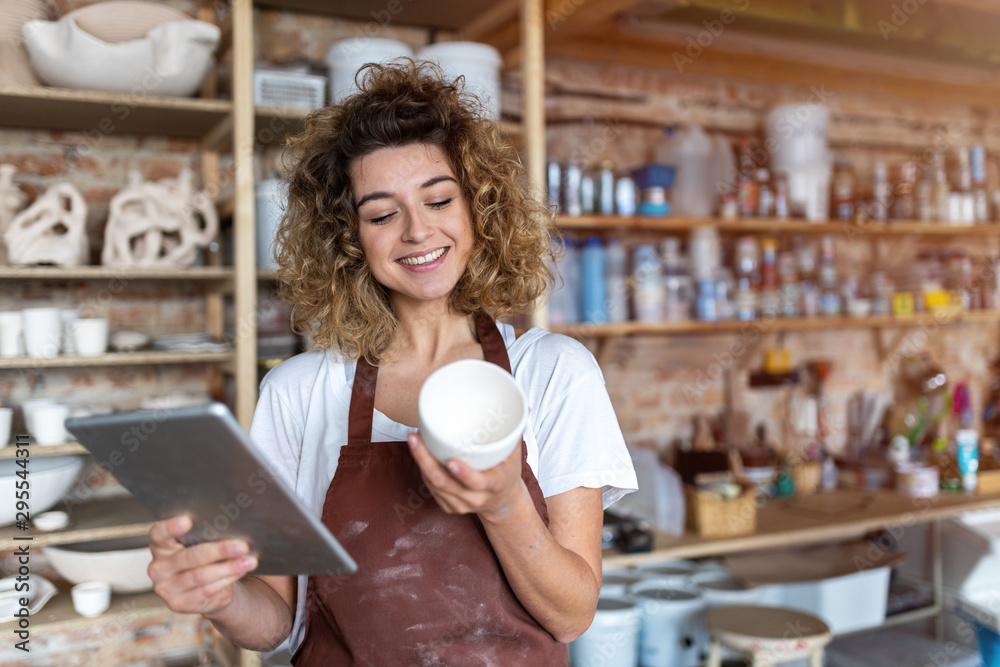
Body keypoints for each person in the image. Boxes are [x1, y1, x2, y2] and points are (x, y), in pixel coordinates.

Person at [147, 60, 637, 664]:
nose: (417, 231)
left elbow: (572, 612)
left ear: (478, 210)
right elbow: (277, 621)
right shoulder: (298, 392)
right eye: (382, 214)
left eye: (438, 200)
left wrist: (503, 505)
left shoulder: (555, 372)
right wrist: (217, 595)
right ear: (348, 237)